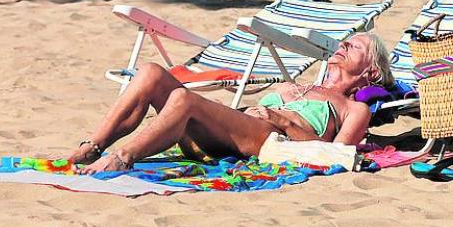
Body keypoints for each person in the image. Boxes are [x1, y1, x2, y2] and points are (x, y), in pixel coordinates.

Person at [68, 33, 394, 173]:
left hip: (260, 139)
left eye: (355, 47)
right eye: (346, 41)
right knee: (152, 72)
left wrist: (281, 122)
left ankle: (123, 157)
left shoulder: (353, 109)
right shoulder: (292, 84)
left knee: (183, 98)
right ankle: (93, 146)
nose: (344, 44)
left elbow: (335, 155)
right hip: (223, 130)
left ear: (371, 70)